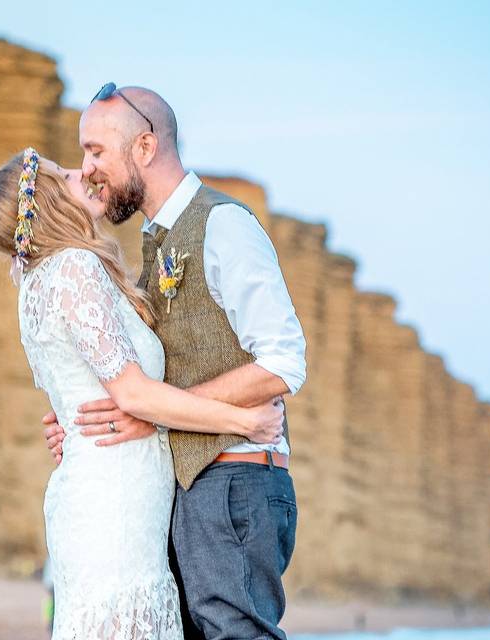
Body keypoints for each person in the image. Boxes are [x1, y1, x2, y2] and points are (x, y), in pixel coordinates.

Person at [0, 147, 286, 640]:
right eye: (66, 174)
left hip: (102, 488)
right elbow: (135, 394)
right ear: (52, 202)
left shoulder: (37, 281)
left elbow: (84, 387)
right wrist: (243, 421)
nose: (84, 174)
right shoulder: (74, 267)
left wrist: (68, 423)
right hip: (113, 501)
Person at [43, 84, 307, 639]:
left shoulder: (224, 225)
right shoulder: (153, 242)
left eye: (96, 152)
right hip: (187, 486)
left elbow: (284, 361)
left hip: (235, 479)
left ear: (144, 147)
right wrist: (78, 417)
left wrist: (153, 414)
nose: (88, 170)